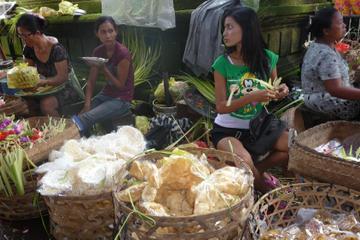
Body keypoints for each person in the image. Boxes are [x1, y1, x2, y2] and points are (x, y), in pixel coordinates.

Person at [210, 6, 290, 193]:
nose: (224, 33)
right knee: (244, 162)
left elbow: (271, 90)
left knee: (294, 147)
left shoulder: (268, 58)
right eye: (224, 28)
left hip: (259, 125)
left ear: (246, 29)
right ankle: (272, 196)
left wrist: (280, 90)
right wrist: (251, 97)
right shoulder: (222, 64)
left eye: (230, 27)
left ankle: (258, 171)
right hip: (228, 130)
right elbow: (221, 107)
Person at [71, 16, 134, 135]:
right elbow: (91, 82)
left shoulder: (122, 53)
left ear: (116, 32)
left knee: (84, 119)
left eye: (111, 31)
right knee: (80, 116)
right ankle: (83, 143)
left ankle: (67, 141)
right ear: (97, 34)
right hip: (106, 94)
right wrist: (87, 104)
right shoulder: (98, 51)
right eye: (103, 32)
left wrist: (103, 67)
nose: (108, 35)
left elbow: (120, 85)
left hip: (122, 99)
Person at [16, 13, 81, 117]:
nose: (22, 39)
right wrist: (24, 80)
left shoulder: (57, 49)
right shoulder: (28, 49)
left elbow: (62, 77)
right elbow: (29, 71)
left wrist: (44, 81)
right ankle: (38, 130)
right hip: (44, 89)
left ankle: (60, 131)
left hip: (65, 87)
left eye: (25, 35)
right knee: (26, 103)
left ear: (37, 33)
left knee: (46, 105)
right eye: (20, 35)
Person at [302, 7, 360, 120]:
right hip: (328, 102)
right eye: (340, 22)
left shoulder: (320, 45)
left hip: (316, 97)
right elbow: (336, 90)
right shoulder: (325, 54)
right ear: (326, 31)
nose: (344, 25)